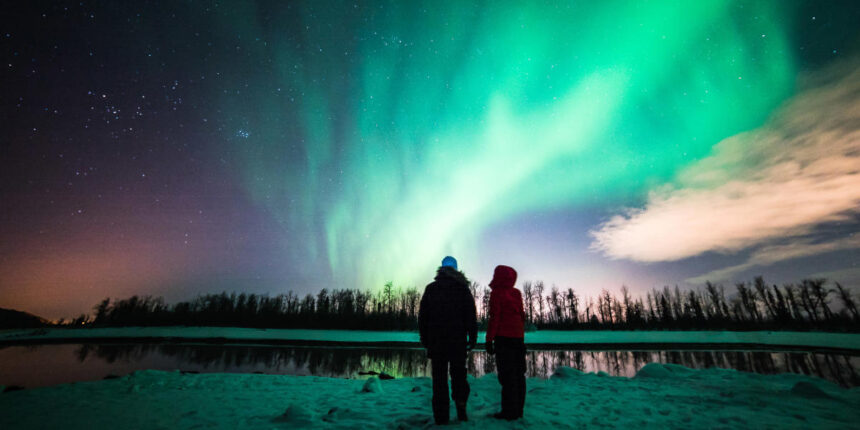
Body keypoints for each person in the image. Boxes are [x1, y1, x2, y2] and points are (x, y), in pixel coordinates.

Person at [418, 256, 478, 425]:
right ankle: (461, 409)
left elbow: (422, 318)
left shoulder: (431, 288)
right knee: (459, 377)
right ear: (456, 269)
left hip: (437, 343)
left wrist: (425, 339)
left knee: (439, 380)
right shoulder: (463, 289)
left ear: (442, 269)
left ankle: (441, 416)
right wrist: (472, 337)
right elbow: (471, 316)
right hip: (457, 343)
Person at [485, 265, 526, 420]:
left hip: (504, 340)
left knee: (507, 376)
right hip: (518, 339)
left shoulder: (496, 293)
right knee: (519, 375)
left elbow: (495, 318)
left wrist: (489, 339)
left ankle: (509, 412)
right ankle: (518, 410)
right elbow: (521, 316)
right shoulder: (516, 293)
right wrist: (520, 335)